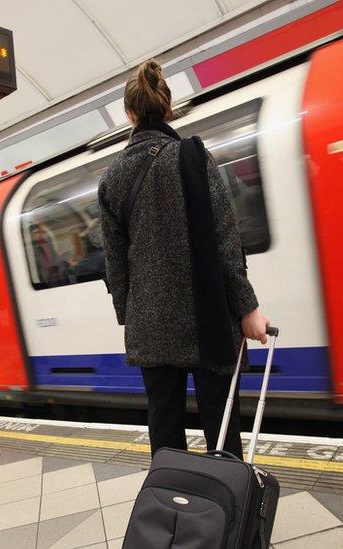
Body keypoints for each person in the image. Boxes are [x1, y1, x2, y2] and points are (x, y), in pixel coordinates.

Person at [98, 59, 271, 458]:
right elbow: (226, 240)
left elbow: (116, 264)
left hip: (151, 326)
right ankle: (224, 511)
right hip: (206, 317)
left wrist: (132, 316)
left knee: (165, 426)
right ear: (168, 108)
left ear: (129, 115)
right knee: (221, 426)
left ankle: (171, 510)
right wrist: (246, 306)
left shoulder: (111, 179)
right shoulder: (194, 157)